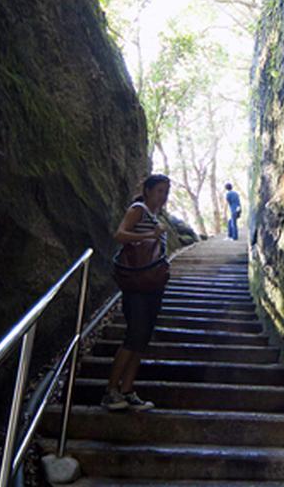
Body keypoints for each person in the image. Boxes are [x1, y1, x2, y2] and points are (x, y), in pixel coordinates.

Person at [101, 174, 171, 412]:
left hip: (152, 284)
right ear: (148, 191)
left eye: (166, 191)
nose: (163, 196)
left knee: (142, 339)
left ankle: (127, 390)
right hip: (136, 284)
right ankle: (111, 391)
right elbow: (120, 234)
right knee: (133, 336)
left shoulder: (154, 216)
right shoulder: (138, 209)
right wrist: (149, 235)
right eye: (160, 190)